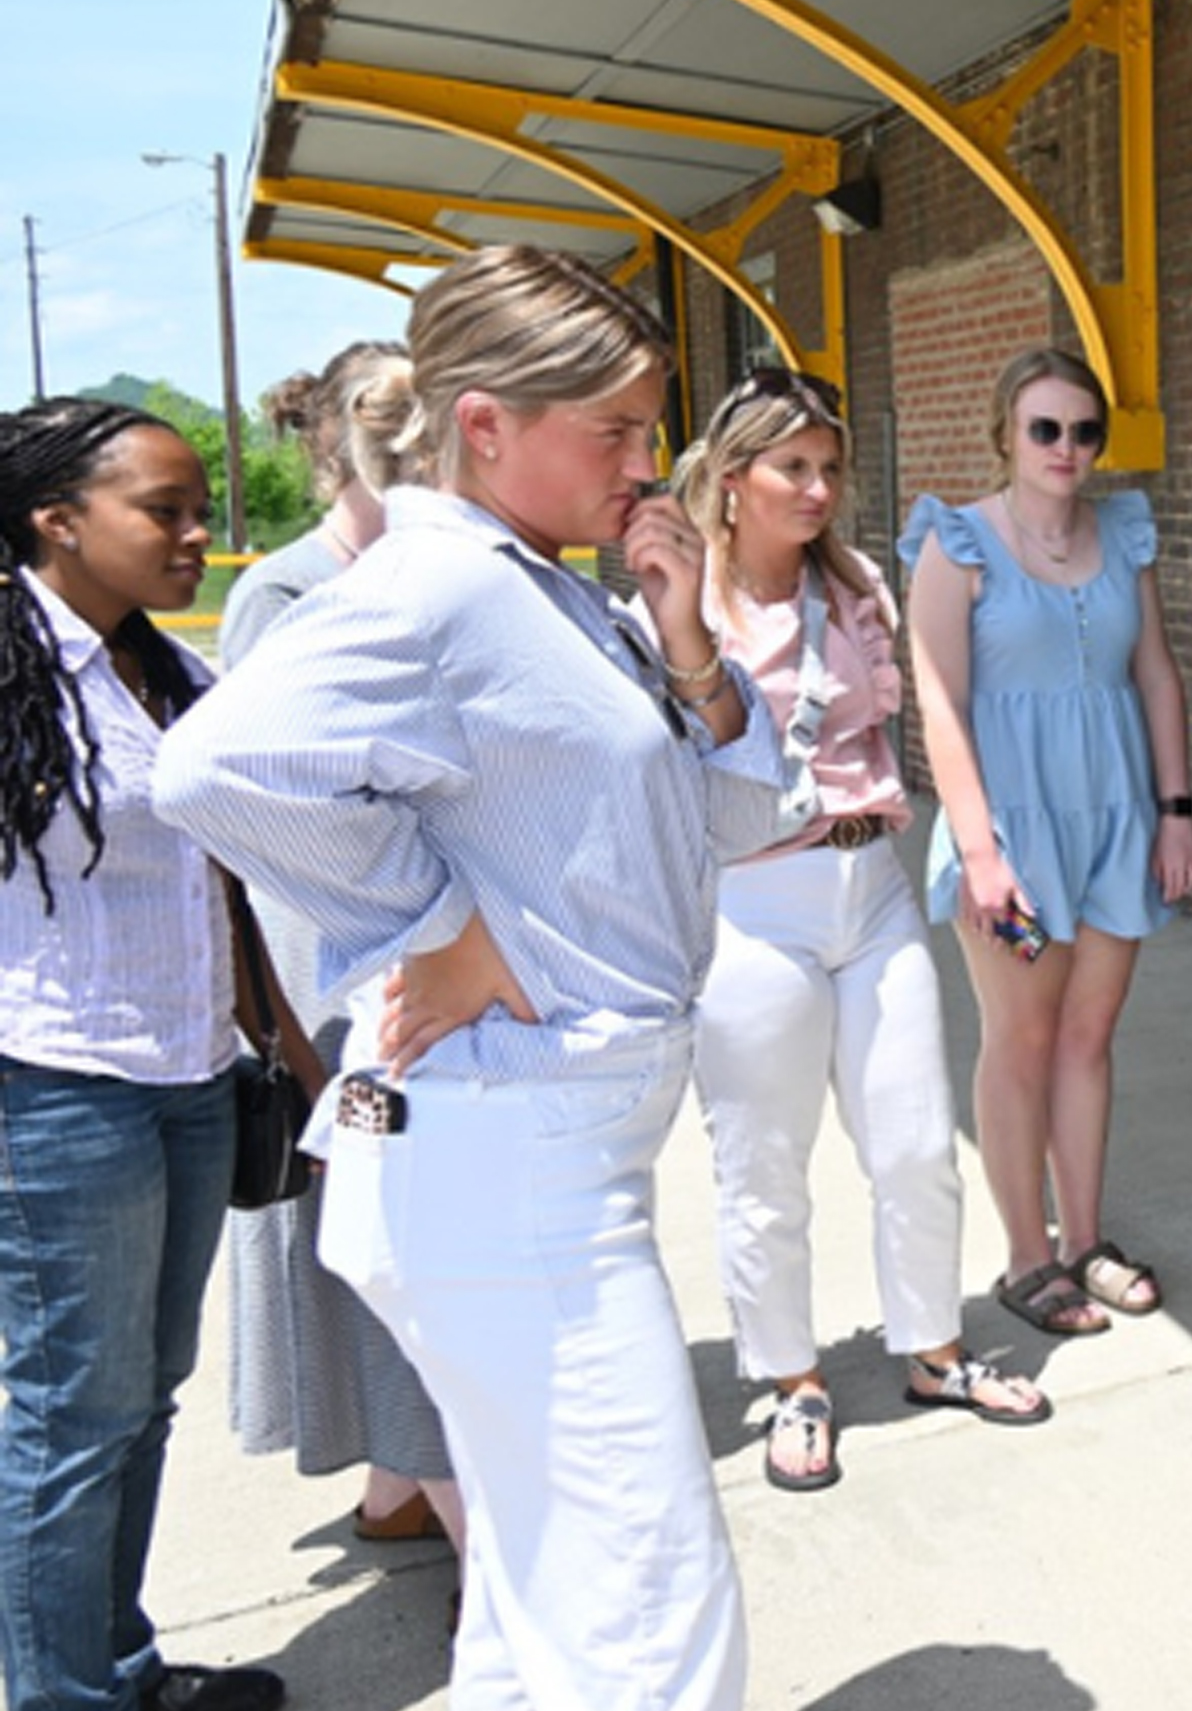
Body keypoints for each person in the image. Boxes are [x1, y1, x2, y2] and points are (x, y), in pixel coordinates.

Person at [154, 244, 785, 1711]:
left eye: (651, 427)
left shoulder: (550, 588)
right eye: (617, 432)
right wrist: (443, 925)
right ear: (486, 423)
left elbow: (740, 816)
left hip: (538, 1156)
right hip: (507, 1166)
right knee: (646, 1610)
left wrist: (689, 650)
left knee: (540, 1581)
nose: (650, 461)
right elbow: (217, 768)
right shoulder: (443, 588)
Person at [680, 365, 1047, 1494]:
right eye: (793, 465)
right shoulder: (679, 604)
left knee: (913, 1140)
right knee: (765, 1163)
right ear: (733, 477)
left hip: (870, 881)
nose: (819, 486)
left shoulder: (857, 592)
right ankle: (791, 1378)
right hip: (753, 901)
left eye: (831, 465)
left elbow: (905, 726)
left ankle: (933, 1347)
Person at [1, 398, 295, 1711]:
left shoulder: (164, 670)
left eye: (197, 510)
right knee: (73, 1420)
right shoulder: (13, 673)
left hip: (188, 1079)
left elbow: (217, 884)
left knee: (143, 1400)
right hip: (58, 1088)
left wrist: (275, 1040)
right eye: (163, 512)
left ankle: (116, 1668)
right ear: (57, 523)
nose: (196, 535)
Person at [215, 343, 465, 1562]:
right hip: (335, 954)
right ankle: (468, 1530)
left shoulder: (439, 572)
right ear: (343, 442)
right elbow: (255, 795)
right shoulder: (286, 591)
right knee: (377, 1231)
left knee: (411, 1230)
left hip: (420, 939)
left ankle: (397, 1482)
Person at [903, 346, 1192, 1338]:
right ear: (1005, 434)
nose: (1066, 447)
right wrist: (982, 855)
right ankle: (1025, 1256)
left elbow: (1155, 672)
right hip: (1016, 848)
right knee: (1022, 1037)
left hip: (1116, 829)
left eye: (1082, 430)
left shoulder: (1124, 534)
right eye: (1045, 428)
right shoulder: (958, 544)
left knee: (1088, 1033)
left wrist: (1174, 809)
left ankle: (1084, 1239)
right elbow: (938, 705)